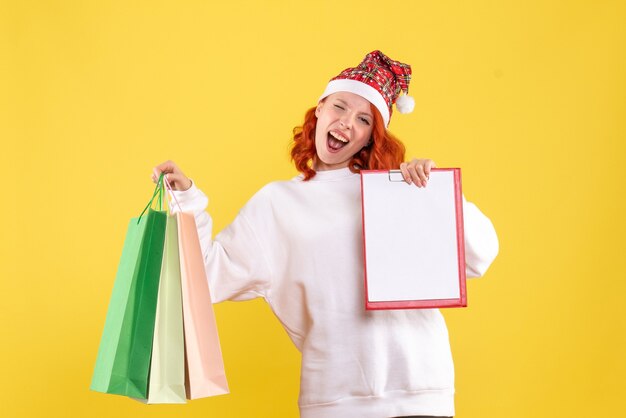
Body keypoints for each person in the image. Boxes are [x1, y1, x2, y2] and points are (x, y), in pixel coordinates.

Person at [152, 51, 499, 418]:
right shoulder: (278, 204)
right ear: (319, 109)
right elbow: (206, 278)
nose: (346, 123)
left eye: (363, 119)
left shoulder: (398, 189)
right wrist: (187, 200)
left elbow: (480, 255)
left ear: (369, 137)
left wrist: (438, 193)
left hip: (421, 391)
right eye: (339, 107)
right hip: (334, 398)